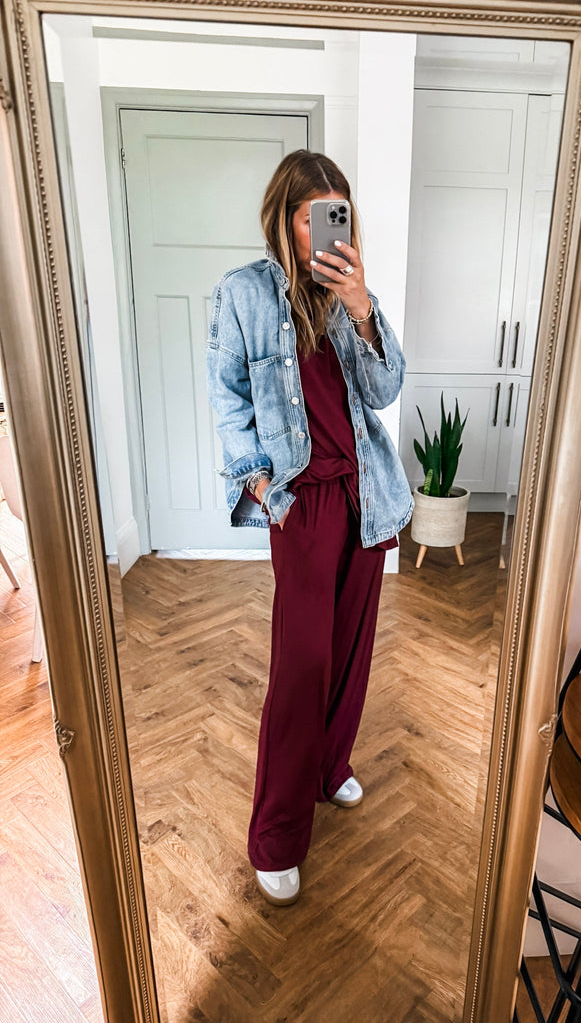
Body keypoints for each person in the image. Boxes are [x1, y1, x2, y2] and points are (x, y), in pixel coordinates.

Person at [206, 150, 413, 906]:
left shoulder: (351, 293)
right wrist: (258, 481)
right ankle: (277, 834)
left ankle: (330, 767)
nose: (327, 228)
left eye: (337, 213)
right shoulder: (243, 294)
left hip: (367, 492)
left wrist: (359, 305)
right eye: (311, 215)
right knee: (301, 664)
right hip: (301, 500)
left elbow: (384, 391)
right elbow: (228, 397)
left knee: (352, 647)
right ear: (284, 219)